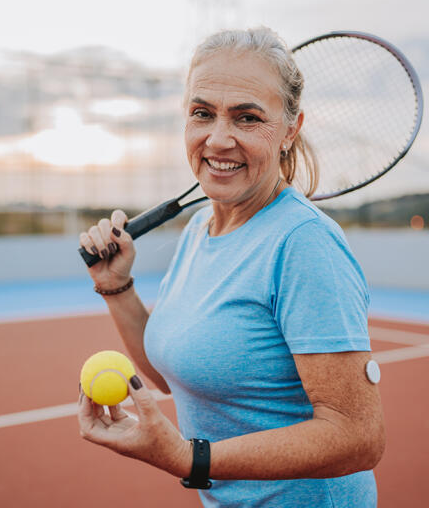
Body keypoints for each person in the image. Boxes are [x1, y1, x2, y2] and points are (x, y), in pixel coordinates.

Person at [77, 26, 385, 508]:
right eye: (203, 114)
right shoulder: (201, 228)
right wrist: (117, 288)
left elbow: (358, 436)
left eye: (247, 118)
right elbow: (177, 374)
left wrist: (191, 458)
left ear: (290, 130)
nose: (218, 140)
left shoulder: (304, 244)